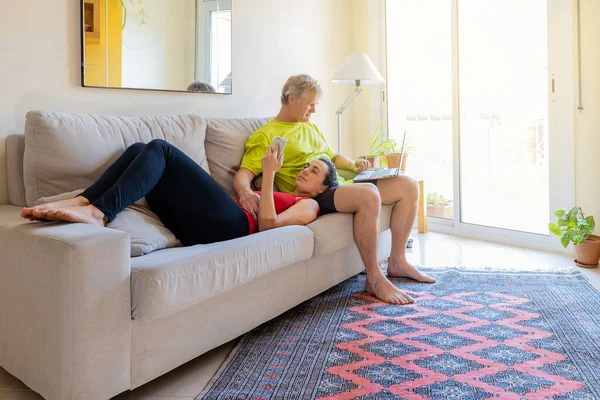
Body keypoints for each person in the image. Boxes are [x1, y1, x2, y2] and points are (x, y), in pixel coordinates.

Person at [234, 74, 435, 305]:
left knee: (407, 184)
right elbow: (244, 174)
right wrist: (245, 192)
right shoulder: (267, 135)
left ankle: (398, 261)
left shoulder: (310, 128)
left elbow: (332, 156)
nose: (313, 110)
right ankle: (374, 278)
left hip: (337, 184)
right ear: (291, 99)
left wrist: (353, 164)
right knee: (369, 193)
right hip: (315, 194)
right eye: (310, 104)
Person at [21, 139, 339, 245]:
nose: (305, 170)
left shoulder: (308, 206)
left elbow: (268, 226)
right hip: (207, 219)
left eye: (314, 171)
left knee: (161, 148)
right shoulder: (277, 191)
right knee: (138, 149)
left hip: (234, 227)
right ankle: (84, 200)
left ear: (323, 188)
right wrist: (250, 190)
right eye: (306, 165)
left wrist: (268, 176)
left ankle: (99, 212)